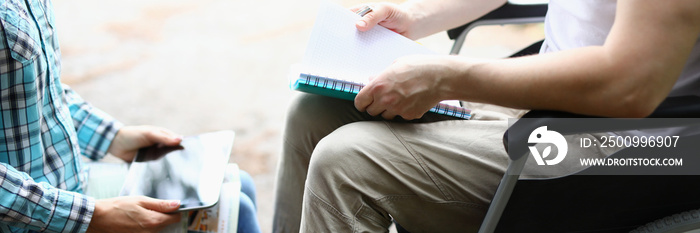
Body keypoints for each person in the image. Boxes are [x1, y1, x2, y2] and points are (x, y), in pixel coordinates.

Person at [272, 0, 700, 232]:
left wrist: (448, 78)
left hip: (641, 145)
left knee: (349, 161)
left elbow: (629, 87)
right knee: (315, 114)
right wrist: (416, 14)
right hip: (550, 101)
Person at [0, 0, 260, 232]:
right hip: (32, 217)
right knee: (237, 208)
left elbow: (41, 90)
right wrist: (95, 216)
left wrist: (114, 137)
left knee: (240, 185)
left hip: (71, 182)